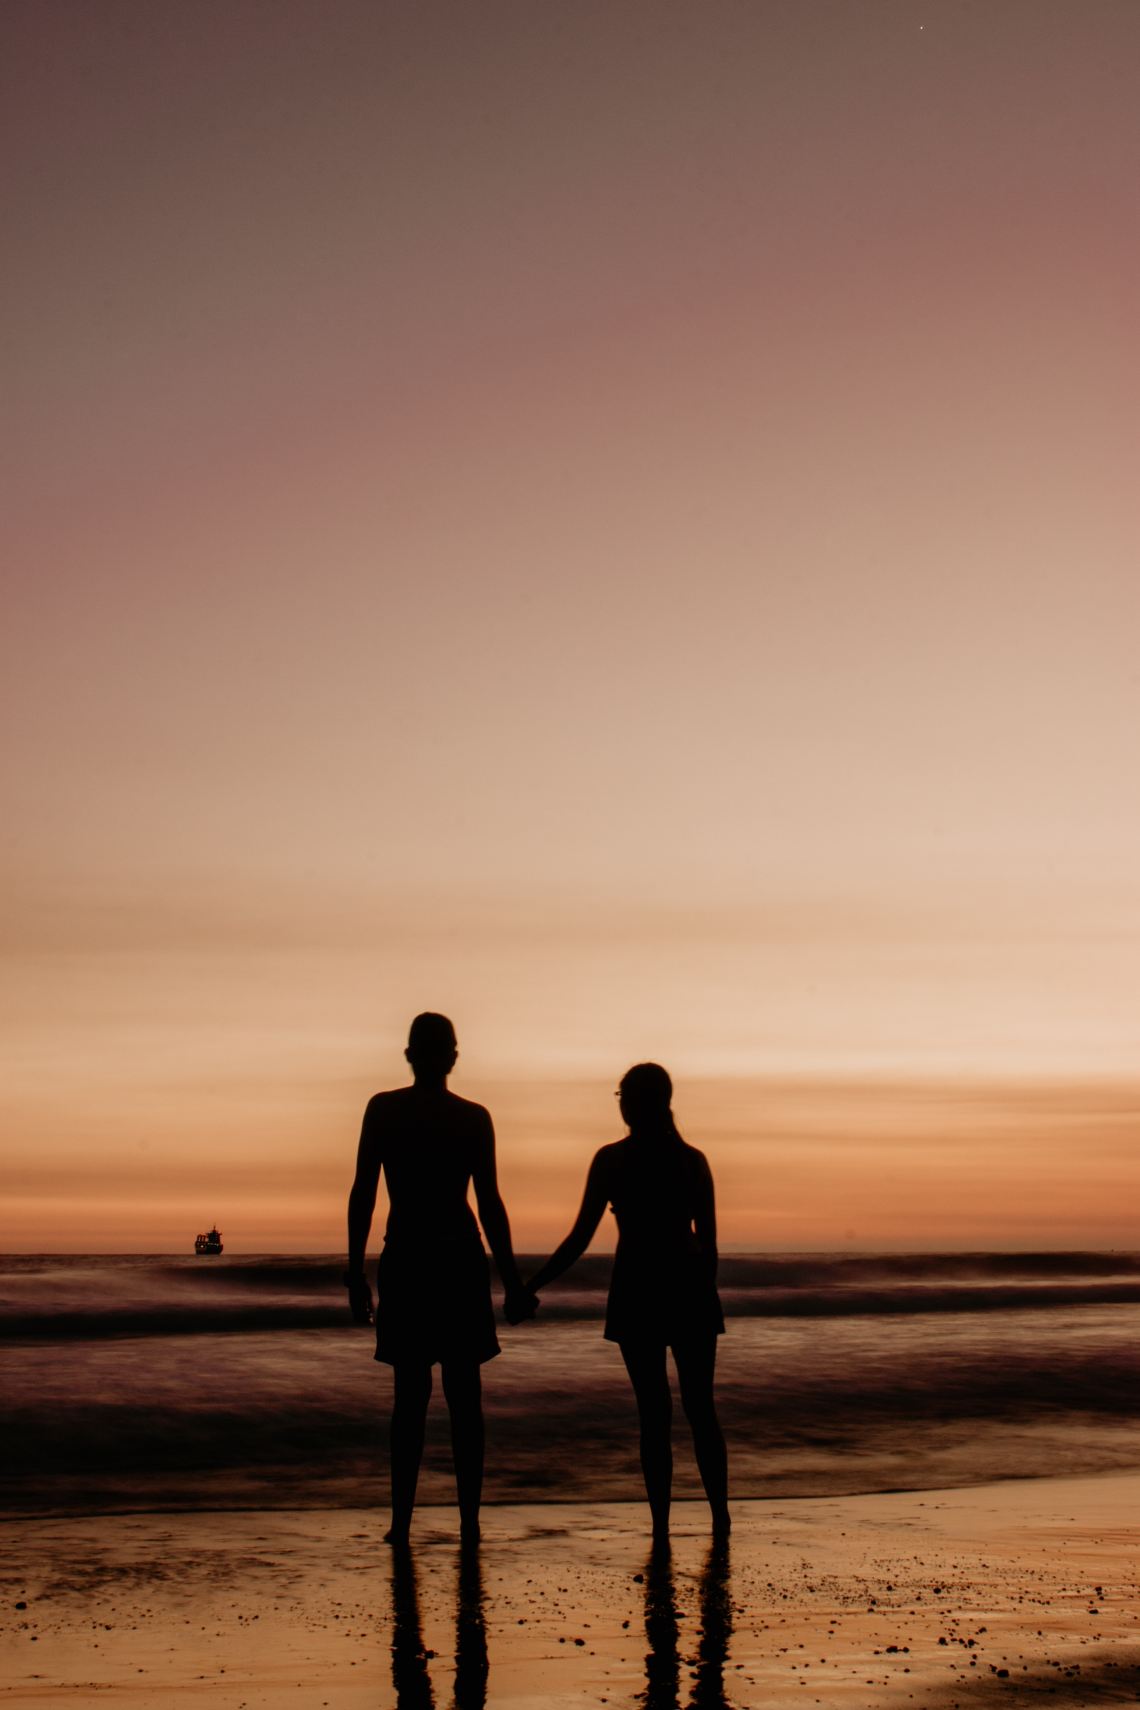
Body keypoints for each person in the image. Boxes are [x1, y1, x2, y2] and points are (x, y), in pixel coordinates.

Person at [345, 1012, 533, 1543]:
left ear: (410, 1054)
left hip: (411, 1257)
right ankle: (464, 1523)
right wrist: (513, 1281)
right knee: (461, 1396)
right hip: (450, 1259)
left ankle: (404, 1524)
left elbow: (364, 1192)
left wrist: (355, 1270)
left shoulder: (386, 1111)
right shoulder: (470, 1118)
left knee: (414, 1396)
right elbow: (490, 1204)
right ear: (452, 1056)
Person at [525, 1063, 728, 1539]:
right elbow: (710, 1244)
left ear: (638, 1102)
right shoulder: (692, 1160)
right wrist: (704, 1294)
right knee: (700, 1408)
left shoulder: (613, 1159)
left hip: (638, 1290)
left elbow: (579, 1238)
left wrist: (532, 1285)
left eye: (624, 1096)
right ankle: (720, 1520)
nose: (621, 1103)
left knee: (653, 1414)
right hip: (689, 1290)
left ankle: (662, 1527)